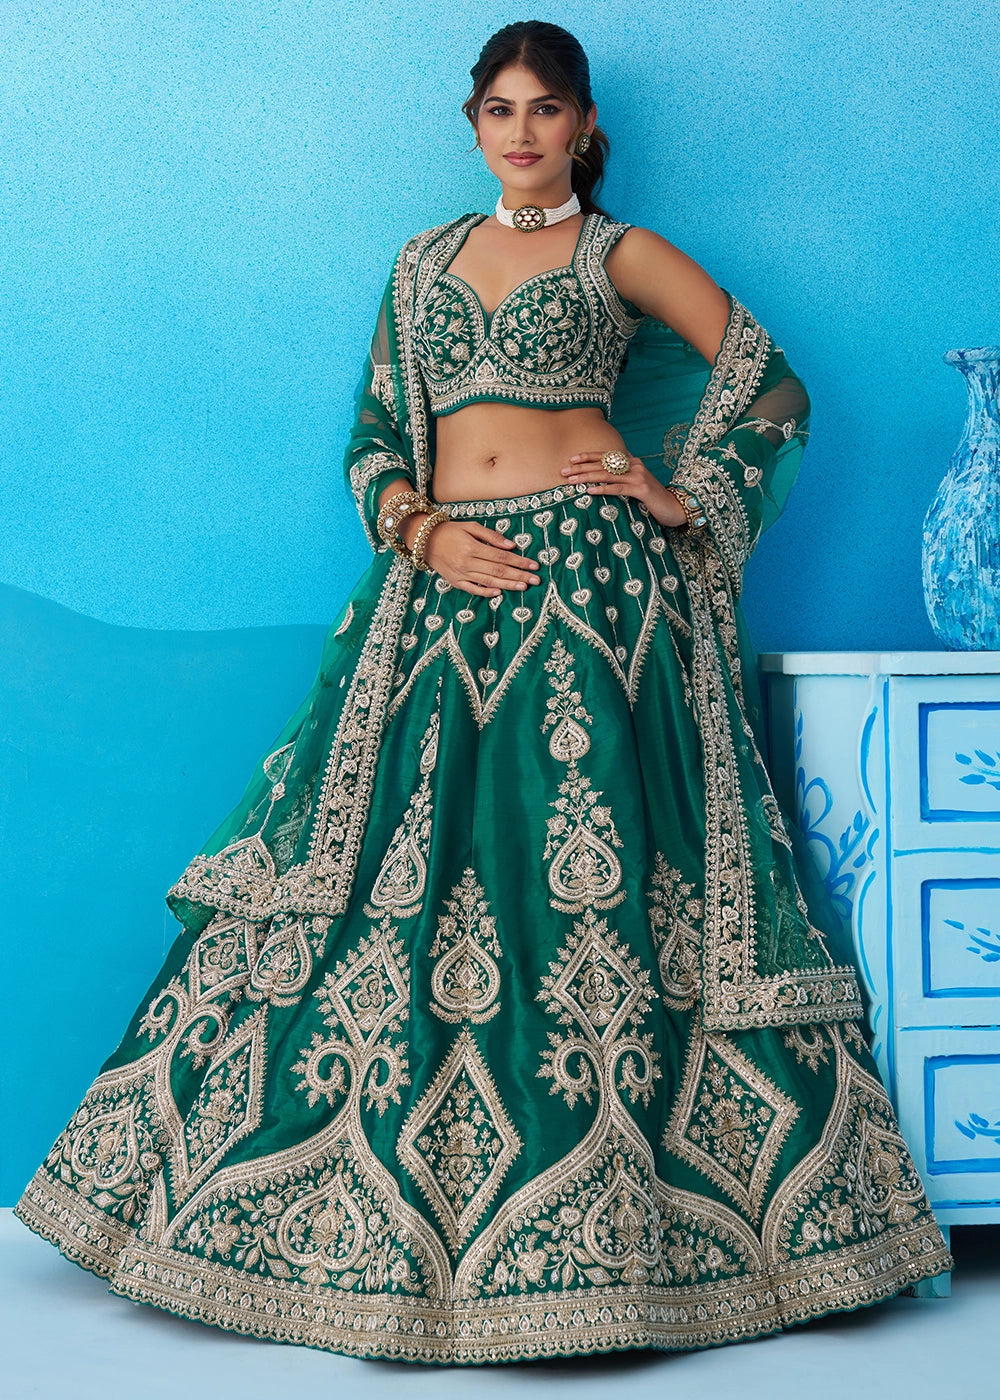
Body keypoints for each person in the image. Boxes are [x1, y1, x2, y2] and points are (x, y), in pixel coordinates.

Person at [16, 19, 951, 1365]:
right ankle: (383, 1223)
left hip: (595, 591)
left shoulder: (617, 254)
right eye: (500, 109)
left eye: (546, 108)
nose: (522, 131)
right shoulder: (420, 266)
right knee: (391, 874)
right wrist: (420, 528)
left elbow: (772, 388)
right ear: (473, 124)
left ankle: (631, 1232)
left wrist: (676, 493)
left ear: (584, 126)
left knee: (589, 878)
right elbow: (372, 437)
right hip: (444, 583)